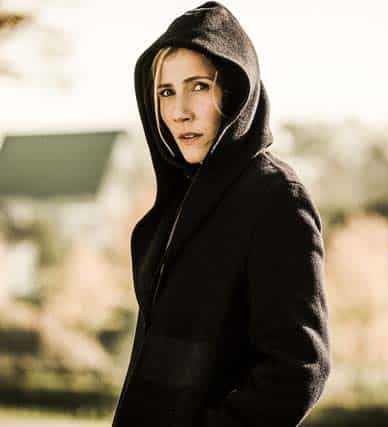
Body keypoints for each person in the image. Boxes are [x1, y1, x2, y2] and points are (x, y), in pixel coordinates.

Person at [111, 2, 331, 426]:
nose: (180, 111)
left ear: (234, 92)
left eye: (198, 86)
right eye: (166, 92)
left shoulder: (276, 199)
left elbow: (298, 369)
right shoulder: (177, 203)